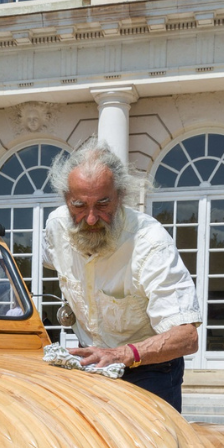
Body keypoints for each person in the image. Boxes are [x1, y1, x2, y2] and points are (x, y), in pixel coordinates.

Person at [42, 138, 201, 411]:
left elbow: (186, 336)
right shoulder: (56, 226)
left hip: (149, 370)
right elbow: (52, 263)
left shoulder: (150, 242)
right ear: (66, 198)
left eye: (103, 204)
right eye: (79, 205)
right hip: (92, 363)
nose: (91, 218)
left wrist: (122, 354)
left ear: (122, 196)